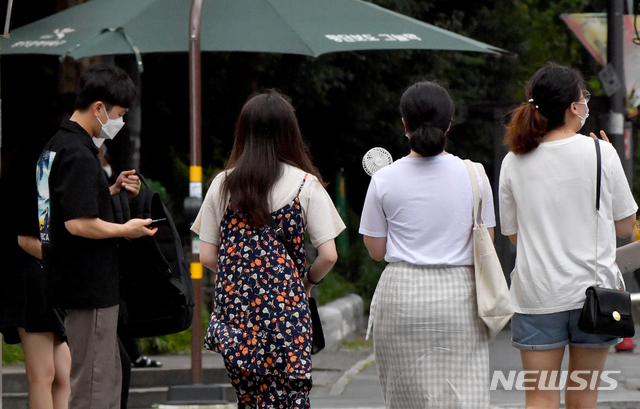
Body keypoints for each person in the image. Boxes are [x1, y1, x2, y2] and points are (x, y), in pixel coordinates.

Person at [191, 90, 345, 408]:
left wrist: (242, 276)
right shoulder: (306, 185)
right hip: (287, 318)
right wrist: (306, 283)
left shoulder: (223, 184)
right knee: (290, 398)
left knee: (249, 400)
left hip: (237, 322)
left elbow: (207, 255)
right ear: (290, 133)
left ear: (244, 133)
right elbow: (329, 254)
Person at [499, 62, 637, 409]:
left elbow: (514, 237)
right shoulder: (600, 152)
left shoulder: (514, 161)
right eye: (584, 99)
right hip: (594, 296)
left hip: (536, 296)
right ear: (574, 107)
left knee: (541, 397)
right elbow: (625, 227)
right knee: (583, 398)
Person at [360, 81, 495, 408]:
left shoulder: (384, 179)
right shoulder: (475, 175)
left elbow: (376, 251)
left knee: (407, 398)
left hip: (402, 296)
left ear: (404, 124)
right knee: (464, 395)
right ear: (449, 124)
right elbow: (485, 244)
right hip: (459, 298)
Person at [36, 63, 157, 408]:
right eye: (119, 114)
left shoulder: (55, 146)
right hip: (87, 286)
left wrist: (110, 190)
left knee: (104, 378)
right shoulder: (78, 153)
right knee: (94, 386)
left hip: (66, 280)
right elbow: (77, 223)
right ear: (99, 108)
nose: (119, 122)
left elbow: (53, 216)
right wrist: (125, 228)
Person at [0, 143, 71, 409]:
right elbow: (25, 240)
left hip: (35, 277)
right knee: (45, 373)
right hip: (28, 279)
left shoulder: (31, 179)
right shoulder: (26, 185)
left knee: (61, 372)